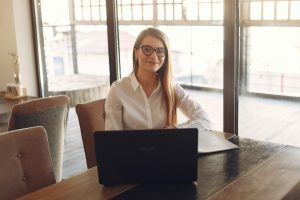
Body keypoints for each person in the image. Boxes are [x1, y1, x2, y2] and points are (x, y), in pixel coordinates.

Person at [105, 27, 213, 131]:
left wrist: (177, 129)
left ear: (165, 57)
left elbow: (205, 119)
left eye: (160, 51)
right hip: (130, 150)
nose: (154, 56)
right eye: (147, 49)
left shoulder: (171, 87)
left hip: (166, 149)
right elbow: (112, 138)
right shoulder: (118, 89)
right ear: (136, 52)